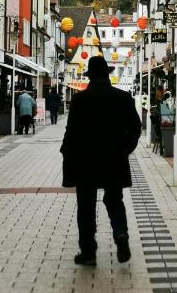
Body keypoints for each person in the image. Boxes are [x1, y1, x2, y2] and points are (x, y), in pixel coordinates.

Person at [60, 55, 142, 267]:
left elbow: (72, 133)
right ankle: (121, 234)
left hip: (85, 162)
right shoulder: (123, 98)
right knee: (114, 200)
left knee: (86, 206)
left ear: (90, 76)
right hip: (114, 160)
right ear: (108, 74)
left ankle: (88, 252)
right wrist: (125, 149)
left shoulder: (79, 100)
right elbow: (135, 128)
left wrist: (67, 155)